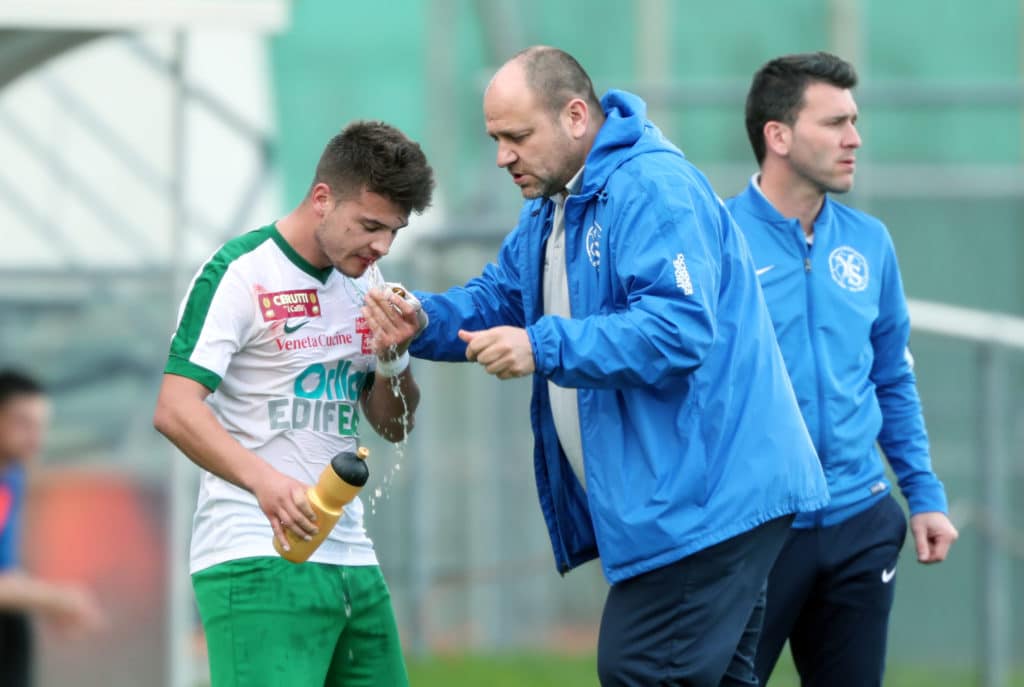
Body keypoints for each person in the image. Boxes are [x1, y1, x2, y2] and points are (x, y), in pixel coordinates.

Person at [361, 46, 829, 687]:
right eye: (495, 138)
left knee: (640, 670)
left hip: (709, 497)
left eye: (517, 136)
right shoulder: (555, 200)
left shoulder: (652, 188)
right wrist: (422, 319)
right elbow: (501, 296)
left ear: (576, 116)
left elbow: (678, 329)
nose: (503, 156)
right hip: (695, 498)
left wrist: (543, 347)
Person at [153, 121, 434, 687]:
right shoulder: (240, 271)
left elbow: (392, 425)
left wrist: (394, 359)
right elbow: (175, 409)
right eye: (370, 225)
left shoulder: (367, 283)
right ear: (323, 199)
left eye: (393, 232)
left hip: (354, 559)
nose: (381, 246)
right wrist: (265, 483)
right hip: (255, 554)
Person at [725, 52, 959, 687]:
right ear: (778, 136)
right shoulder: (718, 242)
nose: (854, 139)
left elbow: (891, 378)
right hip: (757, 533)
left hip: (861, 522)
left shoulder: (870, 242)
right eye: (835, 123)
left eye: (854, 121)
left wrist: (924, 495)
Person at [0, 369, 105, 687]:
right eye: (23, 423)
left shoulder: (13, 476)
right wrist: (54, 599)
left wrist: (51, 602)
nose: (36, 437)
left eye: (41, 425)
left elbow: (6, 572)